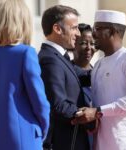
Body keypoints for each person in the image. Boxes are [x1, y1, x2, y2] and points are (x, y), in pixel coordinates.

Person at [72, 10, 126, 150]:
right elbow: (96, 103)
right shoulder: (99, 64)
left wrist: (97, 111)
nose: (93, 34)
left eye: (98, 29)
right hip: (101, 144)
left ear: (112, 31)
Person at [0, 0, 50, 150]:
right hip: (23, 137)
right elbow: (40, 102)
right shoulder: (25, 53)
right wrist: (42, 130)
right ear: (23, 22)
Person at [38, 5, 90, 150]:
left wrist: (112, 65)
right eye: (74, 28)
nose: (78, 34)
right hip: (64, 143)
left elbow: (85, 77)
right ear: (57, 29)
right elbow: (58, 105)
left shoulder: (60, 57)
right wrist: (89, 115)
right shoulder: (49, 59)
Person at [72, 23, 97, 150]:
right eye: (83, 43)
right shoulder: (67, 72)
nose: (88, 48)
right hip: (78, 140)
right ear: (73, 45)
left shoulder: (99, 71)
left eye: (92, 43)